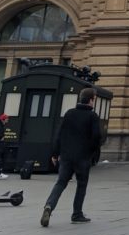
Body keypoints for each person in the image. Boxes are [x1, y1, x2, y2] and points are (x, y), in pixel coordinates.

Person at [40, 86, 101, 227]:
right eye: (94, 100)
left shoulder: (69, 113)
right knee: (81, 185)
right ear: (91, 100)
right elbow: (96, 136)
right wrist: (91, 152)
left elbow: (59, 135)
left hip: (66, 156)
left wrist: (55, 153)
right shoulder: (92, 116)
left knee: (61, 182)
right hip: (82, 157)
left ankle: (49, 205)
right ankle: (77, 214)